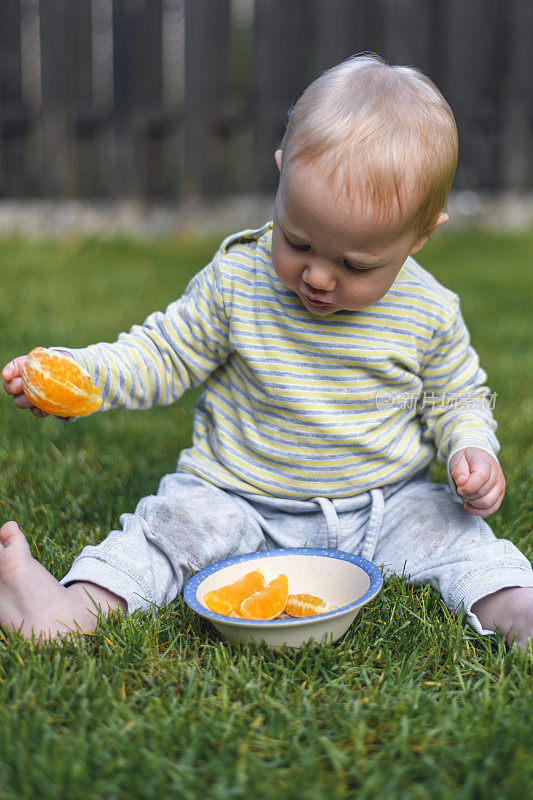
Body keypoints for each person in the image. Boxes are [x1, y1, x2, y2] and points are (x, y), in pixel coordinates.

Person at [2, 54, 532, 648]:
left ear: (421, 235)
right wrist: (85, 375)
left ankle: (515, 607)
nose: (319, 278)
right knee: (171, 529)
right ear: (281, 178)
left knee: (454, 534)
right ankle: (72, 607)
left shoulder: (429, 311)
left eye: (355, 265)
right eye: (297, 240)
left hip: (385, 504)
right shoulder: (238, 282)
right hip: (239, 496)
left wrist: (470, 445)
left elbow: (456, 395)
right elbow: (161, 353)